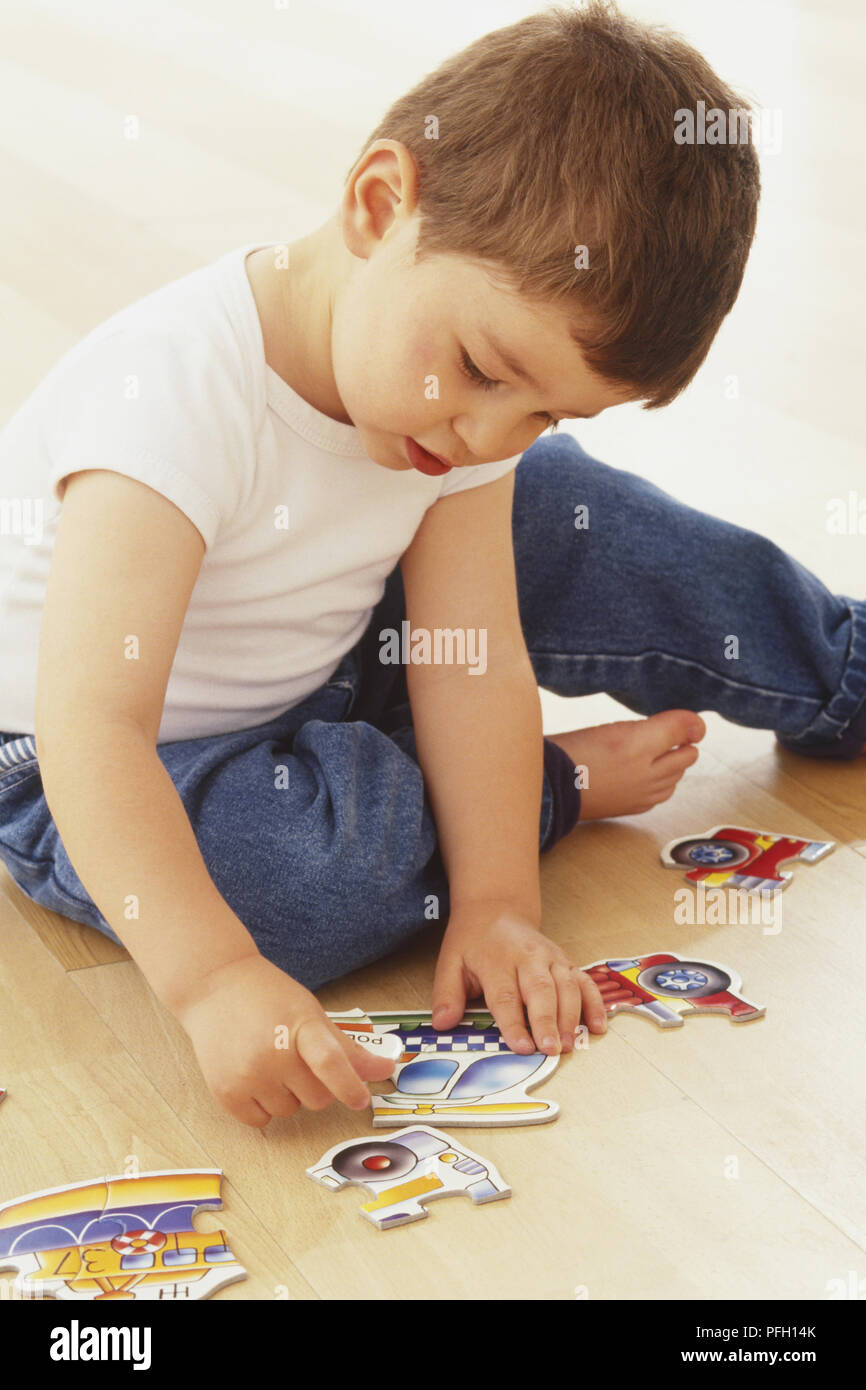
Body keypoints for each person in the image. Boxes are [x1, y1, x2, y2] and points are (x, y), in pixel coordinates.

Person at [0, 2, 862, 1129]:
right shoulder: (169, 397)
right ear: (377, 206)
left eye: (545, 411)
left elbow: (469, 654)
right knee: (312, 884)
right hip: (101, 761)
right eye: (481, 368)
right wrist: (214, 981)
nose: (492, 434)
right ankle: (548, 786)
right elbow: (92, 728)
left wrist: (499, 905)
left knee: (566, 512)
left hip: (331, 658)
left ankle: (835, 664)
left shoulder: (452, 416)